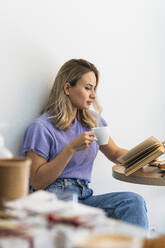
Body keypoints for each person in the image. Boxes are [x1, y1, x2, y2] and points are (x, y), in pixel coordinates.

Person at [22, 58, 148, 228]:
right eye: (88, 88)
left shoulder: (93, 121)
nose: (93, 95)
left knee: (133, 202)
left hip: (84, 197)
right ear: (67, 88)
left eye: (94, 88)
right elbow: (37, 181)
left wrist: (146, 157)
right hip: (55, 201)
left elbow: (115, 153)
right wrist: (71, 148)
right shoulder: (41, 127)